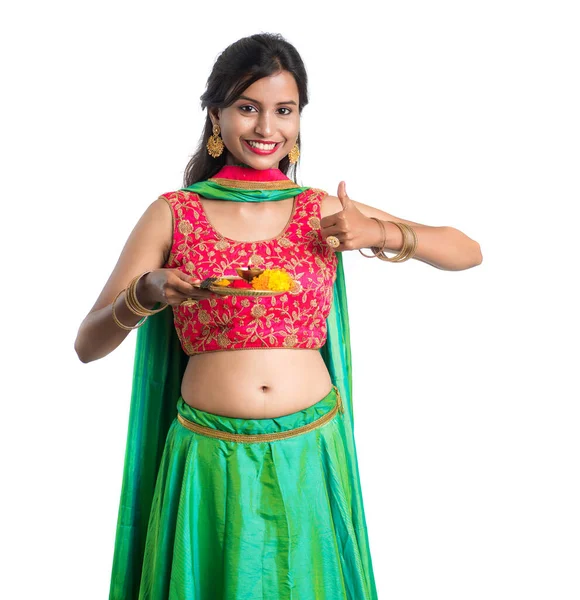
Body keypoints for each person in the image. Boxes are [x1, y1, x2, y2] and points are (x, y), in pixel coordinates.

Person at [75, 32, 482, 600]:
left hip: (309, 453)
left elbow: (467, 251)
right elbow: (88, 344)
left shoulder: (320, 209)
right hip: (207, 459)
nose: (267, 128)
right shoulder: (174, 213)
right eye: (248, 108)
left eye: (283, 111)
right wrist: (144, 293)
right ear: (216, 114)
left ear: (299, 119)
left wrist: (378, 233)